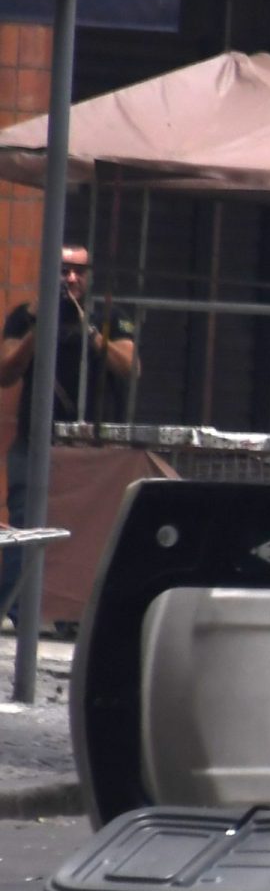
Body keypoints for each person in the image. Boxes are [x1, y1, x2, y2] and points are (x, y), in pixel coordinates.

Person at [0, 244, 139, 620]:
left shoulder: (110, 316)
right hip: (36, 440)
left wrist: (90, 332)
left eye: (78, 271)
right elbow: (5, 372)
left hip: (91, 445)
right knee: (27, 525)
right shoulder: (24, 316)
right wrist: (38, 330)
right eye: (63, 271)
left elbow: (129, 366)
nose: (71, 279)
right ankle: (19, 610)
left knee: (88, 525)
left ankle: (76, 612)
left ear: (90, 276)